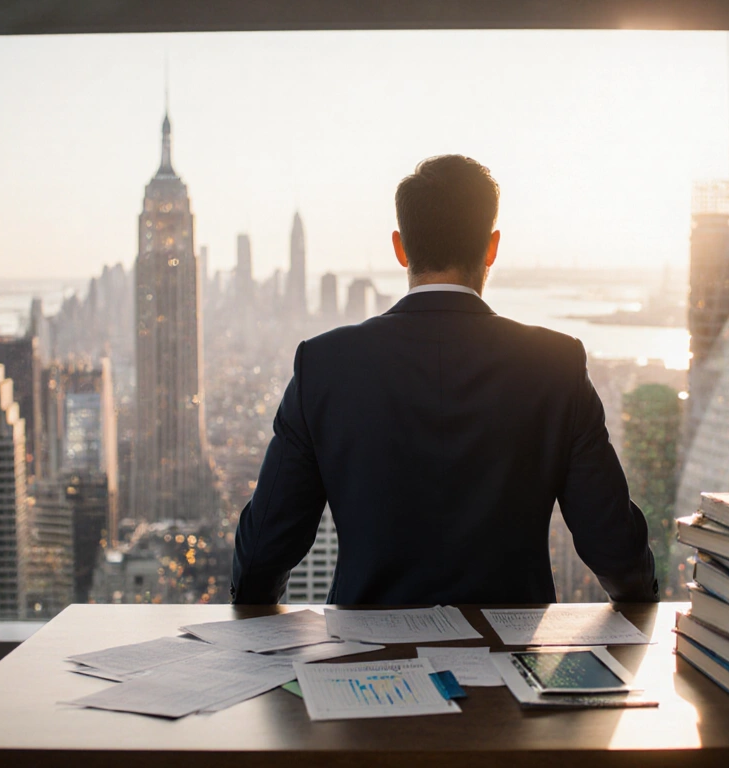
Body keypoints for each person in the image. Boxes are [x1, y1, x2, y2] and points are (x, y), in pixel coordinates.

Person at [231, 154, 657, 605]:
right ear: (491, 248)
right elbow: (617, 552)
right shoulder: (556, 364)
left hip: (363, 663)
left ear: (401, 249)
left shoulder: (323, 364)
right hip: (506, 661)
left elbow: (261, 557)